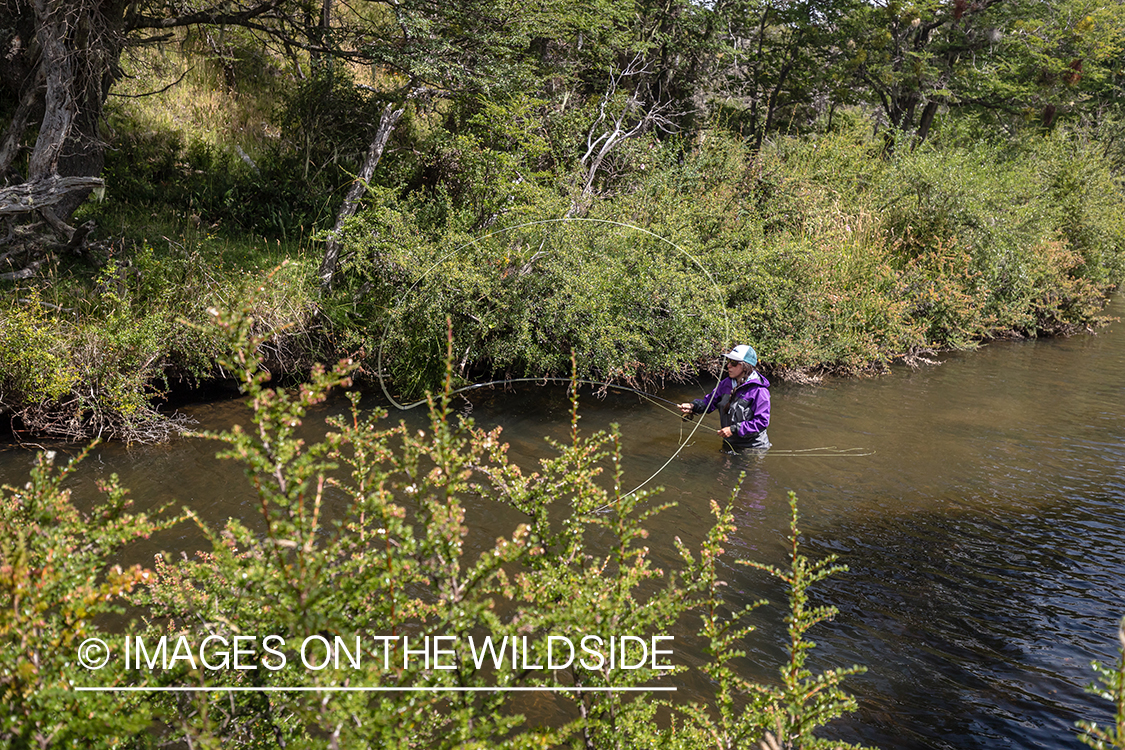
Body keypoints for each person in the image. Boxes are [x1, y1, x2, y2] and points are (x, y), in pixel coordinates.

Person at [679, 344, 770, 452]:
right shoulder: (725, 384)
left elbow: (761, 422)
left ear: (746, 366)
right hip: (729, 442)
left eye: (734, 363)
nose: (728, 365)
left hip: (753, 448)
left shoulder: (760, 391)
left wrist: (733, 429)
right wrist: (693, 406)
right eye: (728, 361)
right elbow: (709, 402)